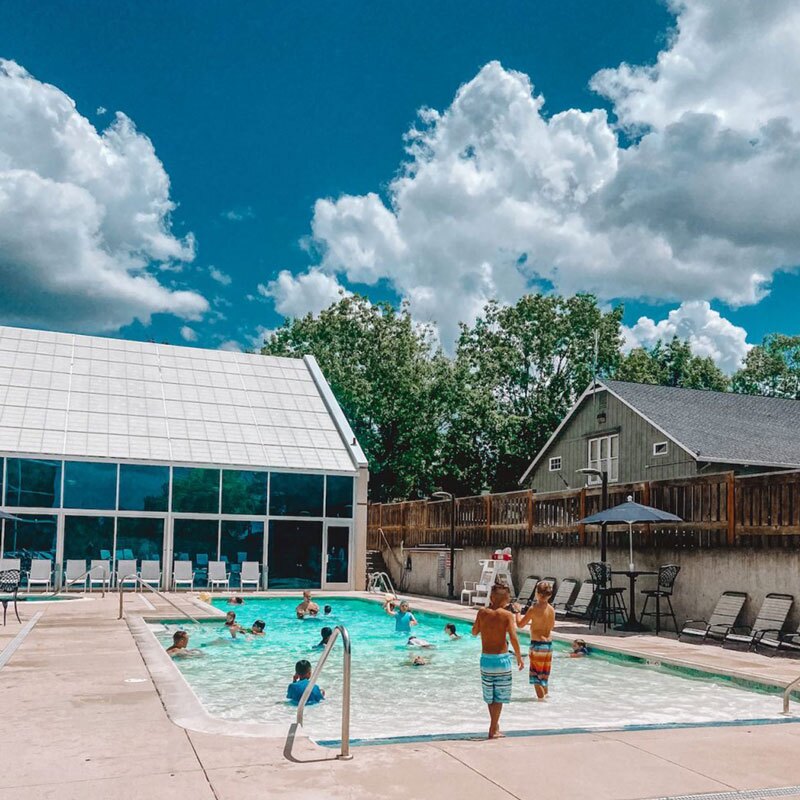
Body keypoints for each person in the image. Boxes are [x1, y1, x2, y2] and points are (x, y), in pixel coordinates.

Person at [471, 583, 524, 739]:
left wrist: (483, 626)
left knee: (490, 695)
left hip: (486, 660)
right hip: (502, 660)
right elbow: (513, 638)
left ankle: (495, 726)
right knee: (499, 696)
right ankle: (493, 728)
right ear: (506, 599)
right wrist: (519, 657)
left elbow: (474, 632)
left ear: (491, 597)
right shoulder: (507, 615)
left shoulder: (482, 612)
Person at [516, 581, 556, 699]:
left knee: (536, 678)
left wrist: (517, 612)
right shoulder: (551, 609)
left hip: (537, 645)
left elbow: (520, 625)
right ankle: (546, 698)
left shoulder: (533, 609)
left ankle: (541, 702)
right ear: (550, 595)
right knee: (544, 676)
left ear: (536, 593)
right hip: (548, 646)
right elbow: (551, 627)